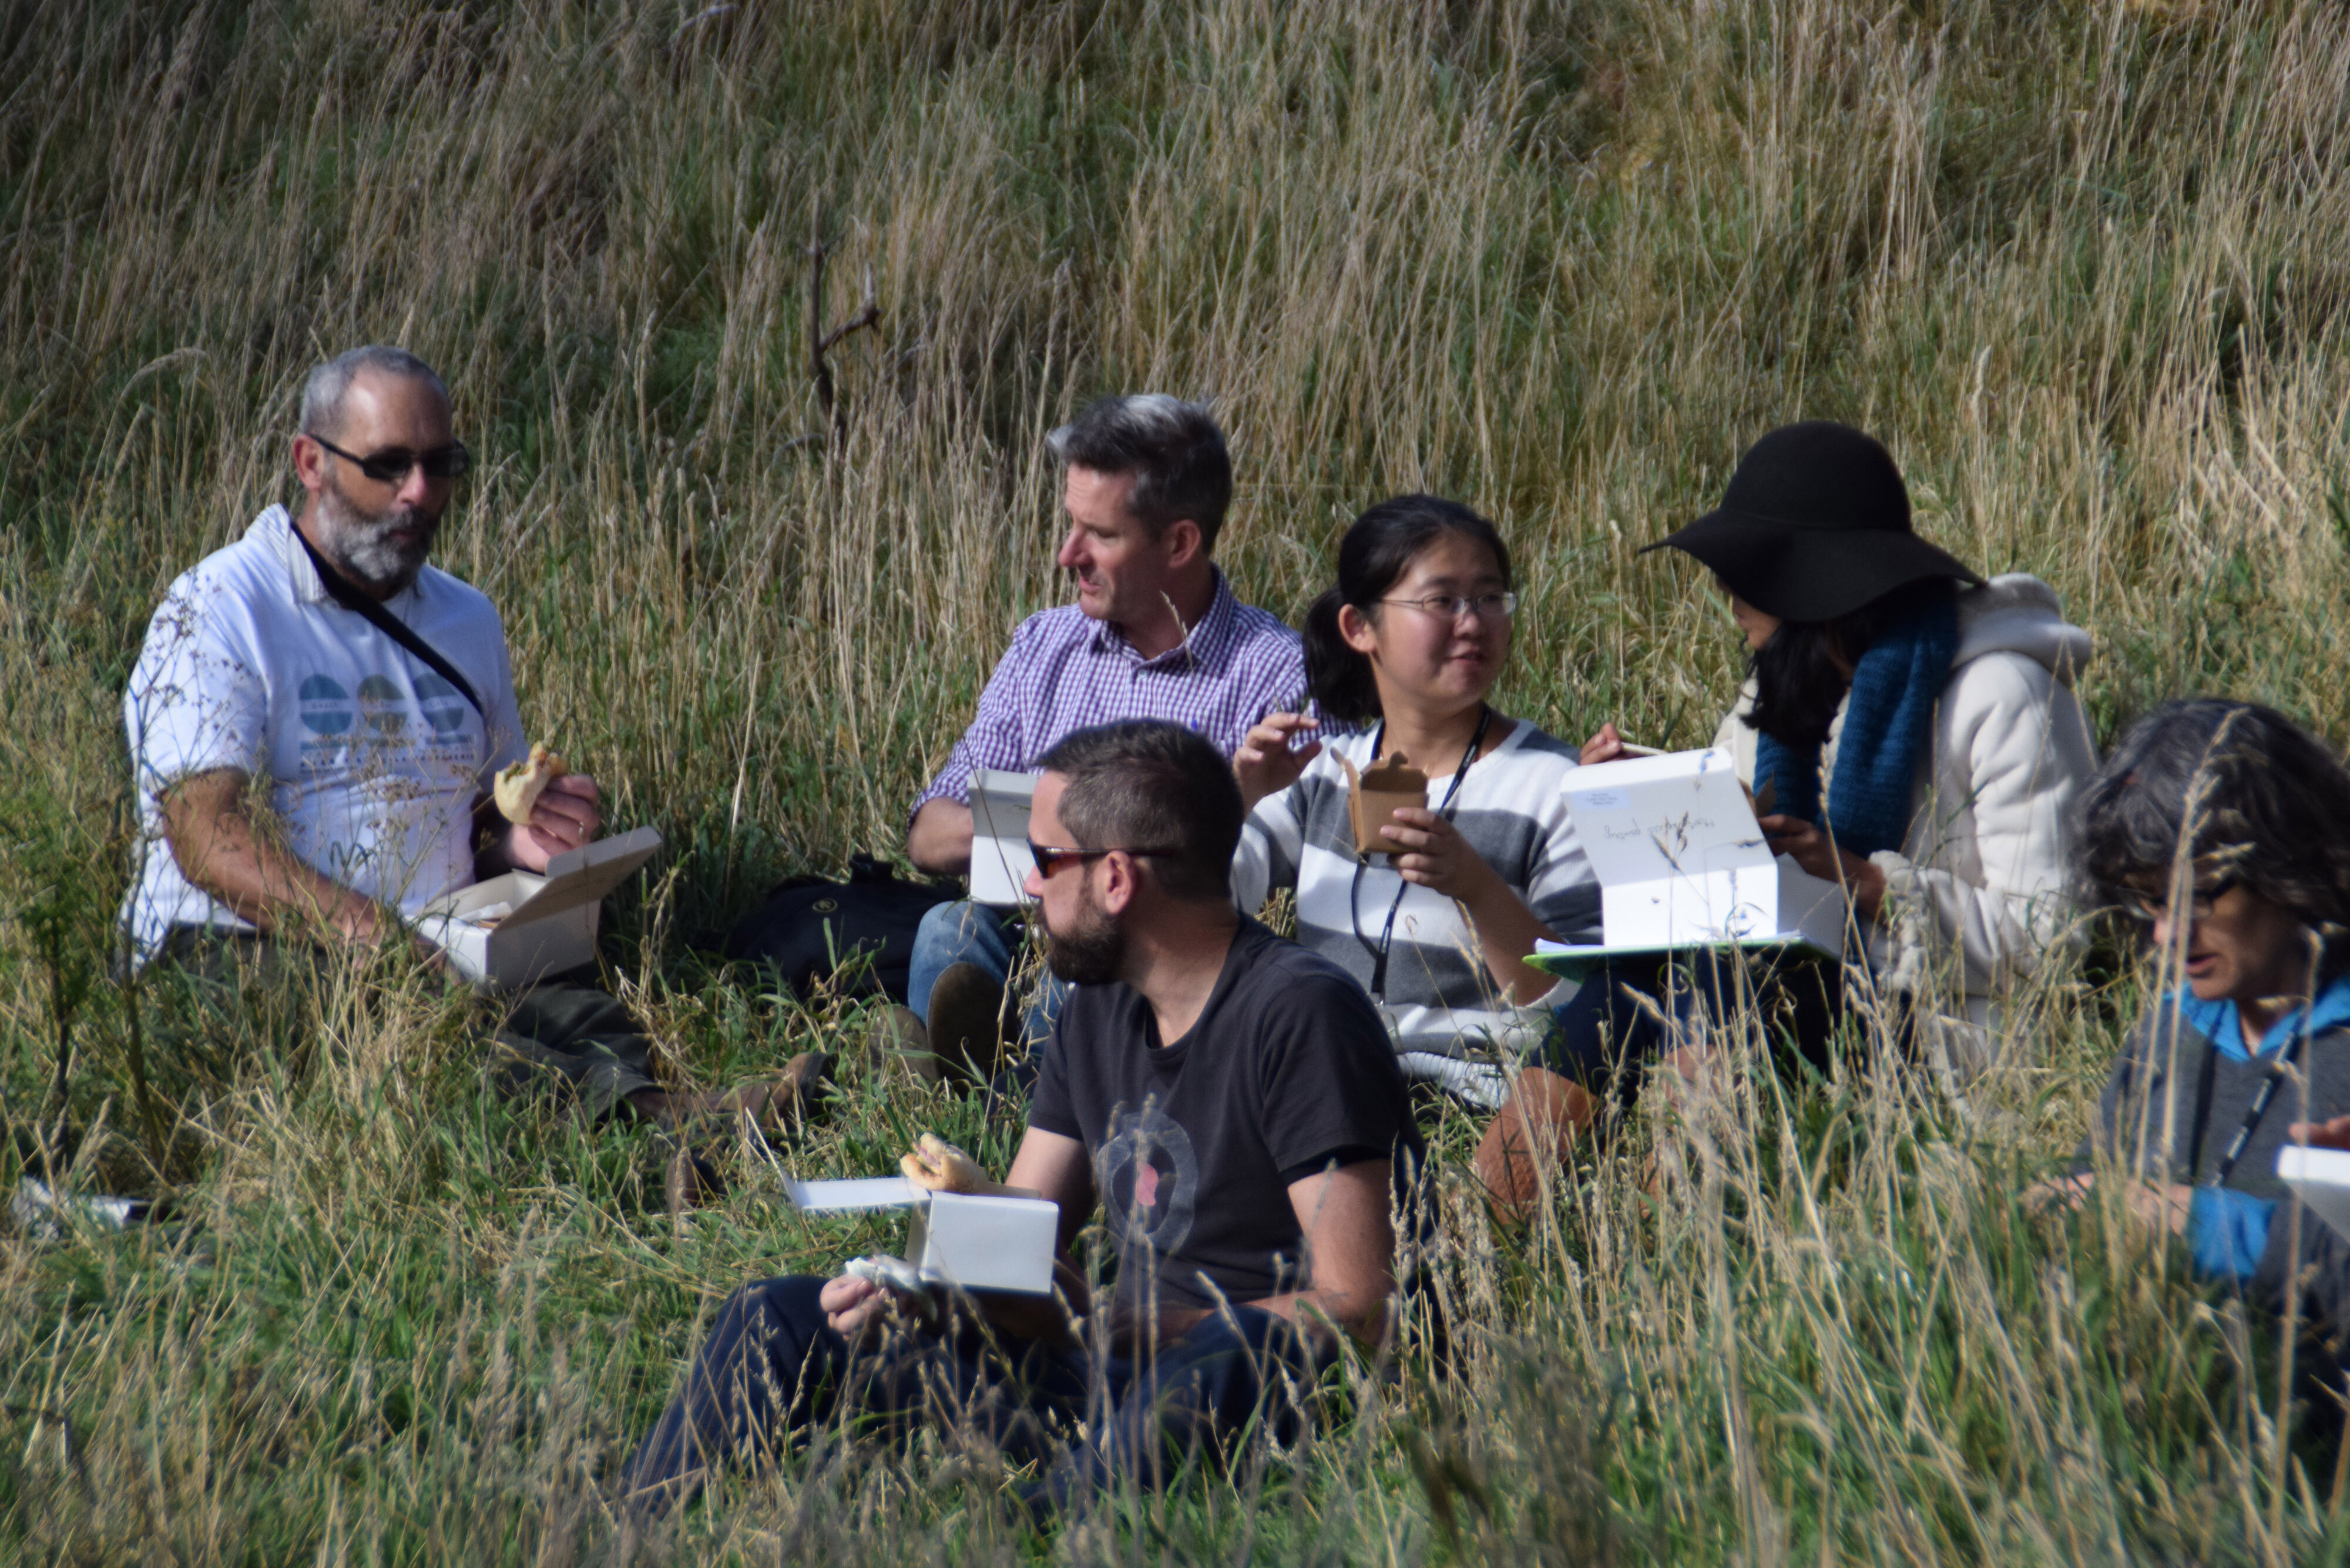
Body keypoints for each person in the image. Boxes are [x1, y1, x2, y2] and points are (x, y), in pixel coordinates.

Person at [619, 721, 1418, 1513]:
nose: (1027, 886)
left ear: (1116, 879)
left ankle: (1039, 1519)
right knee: (776, 1316)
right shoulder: (1100, 1008)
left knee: (1225, 1354)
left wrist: (1130, 1326)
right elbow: (1029, 1231)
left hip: (1234, 1397)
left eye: (1043, 860)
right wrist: (932, 1287)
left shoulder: (1302, 1015)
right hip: (1099, 1371)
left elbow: (1356, 1308)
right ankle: (624, 1527)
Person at [122, 345, 815, 1153]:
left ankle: (659, 1137)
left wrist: (524, 839)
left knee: (572, 1004)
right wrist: (370, 938)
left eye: (440, 464)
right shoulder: (221, 607)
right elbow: (208, 840)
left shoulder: (465, 618)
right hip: (248, 945)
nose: (418, 493)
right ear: (310, 462)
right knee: (439, 1040)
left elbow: (483, 818)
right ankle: (673, 1135)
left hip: (444, 938)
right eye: (386, 466)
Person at [1486, 421, 2098, 1215]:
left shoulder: (2006, 695)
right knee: (1626, 979)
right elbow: (1735, 887)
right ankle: (1476, 1239)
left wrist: (1873, 885)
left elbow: (2055, 941)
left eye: (1751, 578)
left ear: (1818, 587)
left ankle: (1679, 1240)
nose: (1729, 599)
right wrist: (1664, 798)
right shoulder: (1775, 692)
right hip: (1795, 1000)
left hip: (1947, 1030)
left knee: (1725, 972)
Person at [899, 395, 1307, 1078]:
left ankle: (1013, 1100)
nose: (1067, 555)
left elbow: (1304, 861)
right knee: (947, 929)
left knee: (1100, 955)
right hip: (1025, 914)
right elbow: (927, 833)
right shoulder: (1043, 646)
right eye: (1070, 526)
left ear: (1180, 542)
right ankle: (950, 1092)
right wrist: (1046, 834)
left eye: (1101, 535)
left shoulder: (1275, 673)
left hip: (1151, 945)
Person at [1226, 493, 1600, 1122]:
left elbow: (1581, 1009)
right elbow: (1196, 914)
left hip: (1472, 1104)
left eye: (1489, 597)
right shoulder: (1320, 773)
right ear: (1359, 627)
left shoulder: (1553, 784)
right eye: (1441, 601)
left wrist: (1478, 888)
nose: (1472, 621)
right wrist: (1238, 797)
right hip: (1320, 1084)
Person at [2054, 699, 2350, 1366]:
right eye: (2153, 901)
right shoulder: (2166, 1029)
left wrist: (2202, 1226)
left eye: (2201, 894)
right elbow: (2086, 1199)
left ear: (2290, 864)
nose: (2167, 933)